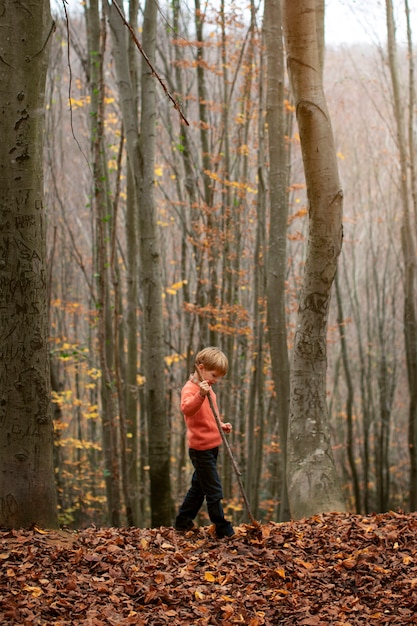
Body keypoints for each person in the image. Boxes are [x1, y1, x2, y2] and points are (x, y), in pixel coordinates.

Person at [175, 347, 235, 539]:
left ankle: (183, 521)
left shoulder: (209, 390)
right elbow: (187, 409)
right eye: (214, 375)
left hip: (212, 445)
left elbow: (210, 415)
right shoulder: (191, 389)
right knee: (213, 489)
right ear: (201, 368)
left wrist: (221, 425)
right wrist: (200, 394)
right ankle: (222, 527)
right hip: (200, 449)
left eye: (219, 376)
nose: (216, 380)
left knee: (199, 488)